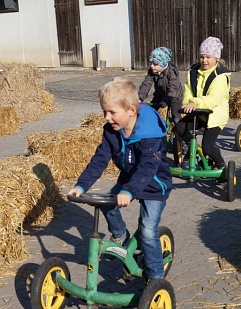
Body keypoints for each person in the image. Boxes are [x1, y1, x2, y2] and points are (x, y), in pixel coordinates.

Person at [68, 76, 172, 281]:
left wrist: (129, 191)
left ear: (131, 111)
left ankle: (156, 276)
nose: (107, 117)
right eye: (104, 111)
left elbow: (147, 168)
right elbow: (99, 160)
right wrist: (81, 185)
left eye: (112, 112)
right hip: (128, 181)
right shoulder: (111, 131)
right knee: (107, 202)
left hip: (153, 185)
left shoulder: (149, 134)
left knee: (148, 230)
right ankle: (122, 237)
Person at [174, 36, 231, 178]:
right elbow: (188, 89)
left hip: (214, 115)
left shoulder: (220, 76)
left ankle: (222, 168)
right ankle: (194, 151)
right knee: (179, 127)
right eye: (202, 57)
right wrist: (187, 103)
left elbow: (214, 98)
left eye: (208, 57)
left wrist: (195, 103)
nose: (204, 61)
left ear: (216, 58)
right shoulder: (193, 71)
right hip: (198, 113)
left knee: (208, 146)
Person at [138, 47, 183, 124]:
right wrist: (140, 97)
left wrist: (166, 100)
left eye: (155, 64)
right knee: (151, 112)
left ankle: (180, 133)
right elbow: (146, 84)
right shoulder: (152, 71)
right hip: (160, 95)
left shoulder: (172, 72)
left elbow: (173, 88)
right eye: (151, 63)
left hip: (174, 97)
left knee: (176, 118)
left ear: (163, 63)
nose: (152, 66)